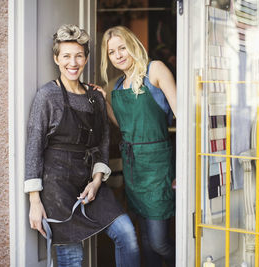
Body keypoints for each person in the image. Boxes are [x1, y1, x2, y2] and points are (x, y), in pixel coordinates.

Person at [24, 24, 140, 267]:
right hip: (57, 189)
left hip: (90, 184)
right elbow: (34, 147)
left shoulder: (96, 97)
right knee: (73, 259)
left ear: (86, 58)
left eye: (78, 55)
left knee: (126, 233)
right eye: (66, 56)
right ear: (57, 59)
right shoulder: (47, 96)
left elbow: (103, 143)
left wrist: (97, 181)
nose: (73, 62)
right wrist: (35, 202)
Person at [99, 25, 176, 267]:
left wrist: (183, 169)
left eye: (122, 48)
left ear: (133, 45)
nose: (118, 55)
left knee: (158, 242)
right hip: (134, 169)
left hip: (158, 167)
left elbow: (185, 119)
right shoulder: (118, 86)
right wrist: (105, 101)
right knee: (145, 240)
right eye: (112, 52)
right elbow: (123, 125)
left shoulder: (155, 70)